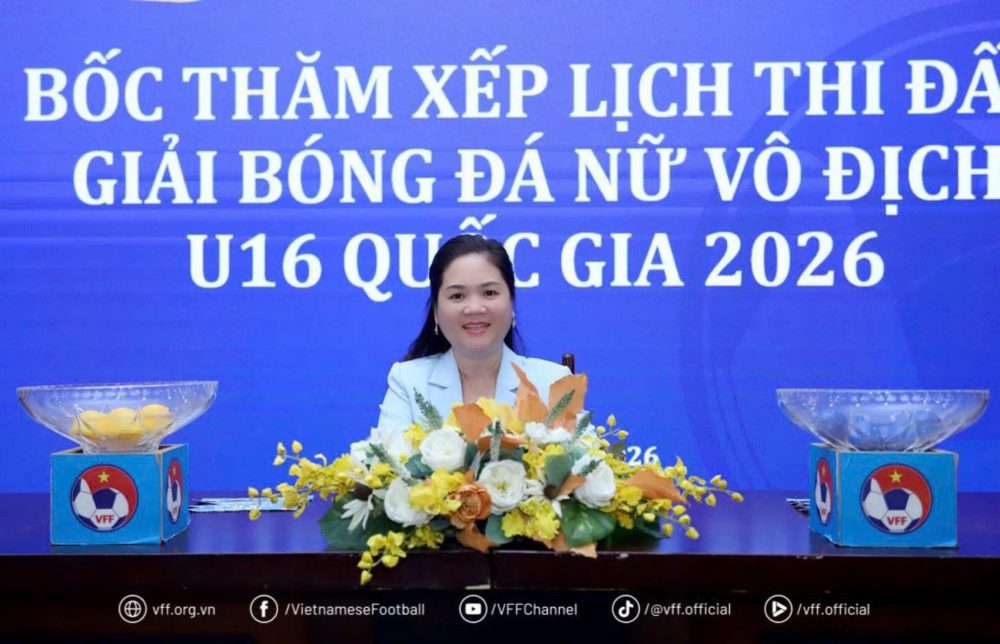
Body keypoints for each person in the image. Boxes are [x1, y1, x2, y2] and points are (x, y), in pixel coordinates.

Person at [377, 234, 570, 429]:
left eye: (489, 293)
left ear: (511, 302)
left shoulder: (553, 382)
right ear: (436, 310)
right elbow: (390, 448)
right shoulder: (408, 381)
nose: (474, 308)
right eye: (457, 296)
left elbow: (579, 447)